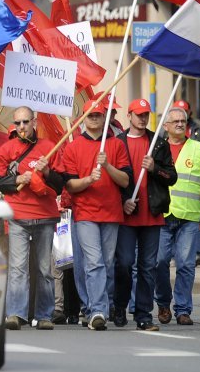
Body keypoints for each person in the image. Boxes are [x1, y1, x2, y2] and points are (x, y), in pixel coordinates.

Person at [50, 98, 132, 331]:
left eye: (98, 115)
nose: (94, 118)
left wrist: (107, 167)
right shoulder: (74, 146)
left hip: (111, 213)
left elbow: (126, 181)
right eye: (90, 115)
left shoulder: (115, 145)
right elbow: (70, 186)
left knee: (106, 263)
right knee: (94, 262)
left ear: (105, 118)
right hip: (85, 213)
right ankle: (97, 309)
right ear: (84, 119)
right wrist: (88, 180)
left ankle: (94, 308)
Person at [0, 107, 63, 331]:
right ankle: (15, 314)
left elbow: (61, 186)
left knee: (43, 269)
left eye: (25, 122)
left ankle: (44, 315)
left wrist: (48, 172)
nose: (21, 127)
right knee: (18, 268)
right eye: (18, 123)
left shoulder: (50, 148)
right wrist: (18, 178)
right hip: (18, 216)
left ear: (34, 122)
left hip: (45, 217)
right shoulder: (7, 148)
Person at [113, 98, 178, 331]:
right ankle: (119, 306)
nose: (142, 118)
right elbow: (111, 181)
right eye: (138, 114)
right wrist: (122, 203)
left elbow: (172, 177)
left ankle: (143, 314)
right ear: (129, 116)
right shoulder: (117, 142)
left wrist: (155, 169)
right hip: (127, 215)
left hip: (152, 214)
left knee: (148, 266)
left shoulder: (158, 143)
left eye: (146, 114)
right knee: (124, 263)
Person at [154, 106, 200, 326]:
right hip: (162, 215)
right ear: (166, 126)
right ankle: (162, 302)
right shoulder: (157, 149)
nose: (180, 124)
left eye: (183, 120)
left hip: (189, 217)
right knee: (159, 262)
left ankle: (183, 310)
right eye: (176, 121)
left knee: (186, 264)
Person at [172, 99, 200, 267]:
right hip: (174, 195)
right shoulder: (165, 134)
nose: (180, 123)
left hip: (196, 179)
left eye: (184, 115)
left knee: (195, 218)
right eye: (176, 119)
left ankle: (195, 253)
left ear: (189, 112)